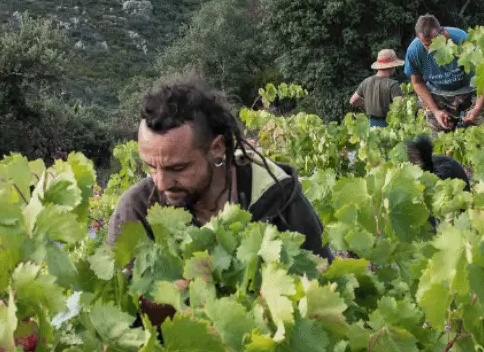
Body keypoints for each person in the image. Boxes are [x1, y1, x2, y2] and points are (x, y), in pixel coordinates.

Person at [108, 78, 330, 261]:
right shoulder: (137, 208)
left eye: (177, 168)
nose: (161, 183)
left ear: (217, 148)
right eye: (150, 166)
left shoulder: (276, 195)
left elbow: (323, 280)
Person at [404, 15, 484, 133]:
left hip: (468, 91)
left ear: (442, 33)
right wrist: (435, 111)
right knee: (438, 140)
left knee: (478, 136)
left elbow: (482, 76)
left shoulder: (462, 39)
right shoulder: (414, 51)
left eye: (434, 43)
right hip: (437, 94)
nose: (431, 49)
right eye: (426, 45)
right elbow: (417, 82)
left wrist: (477, 108)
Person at [349, 48, 405, 127]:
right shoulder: (393, 85)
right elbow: (401, 107)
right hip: (390, 125)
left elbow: (353, 101)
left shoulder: (366, 82)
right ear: (391, 66)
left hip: (372, 124)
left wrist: (367, 104)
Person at [406, 136, 470, 190]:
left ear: (422, 155)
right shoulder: (432, 160)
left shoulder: (441, 171)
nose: (411, 158)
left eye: (414, 154)